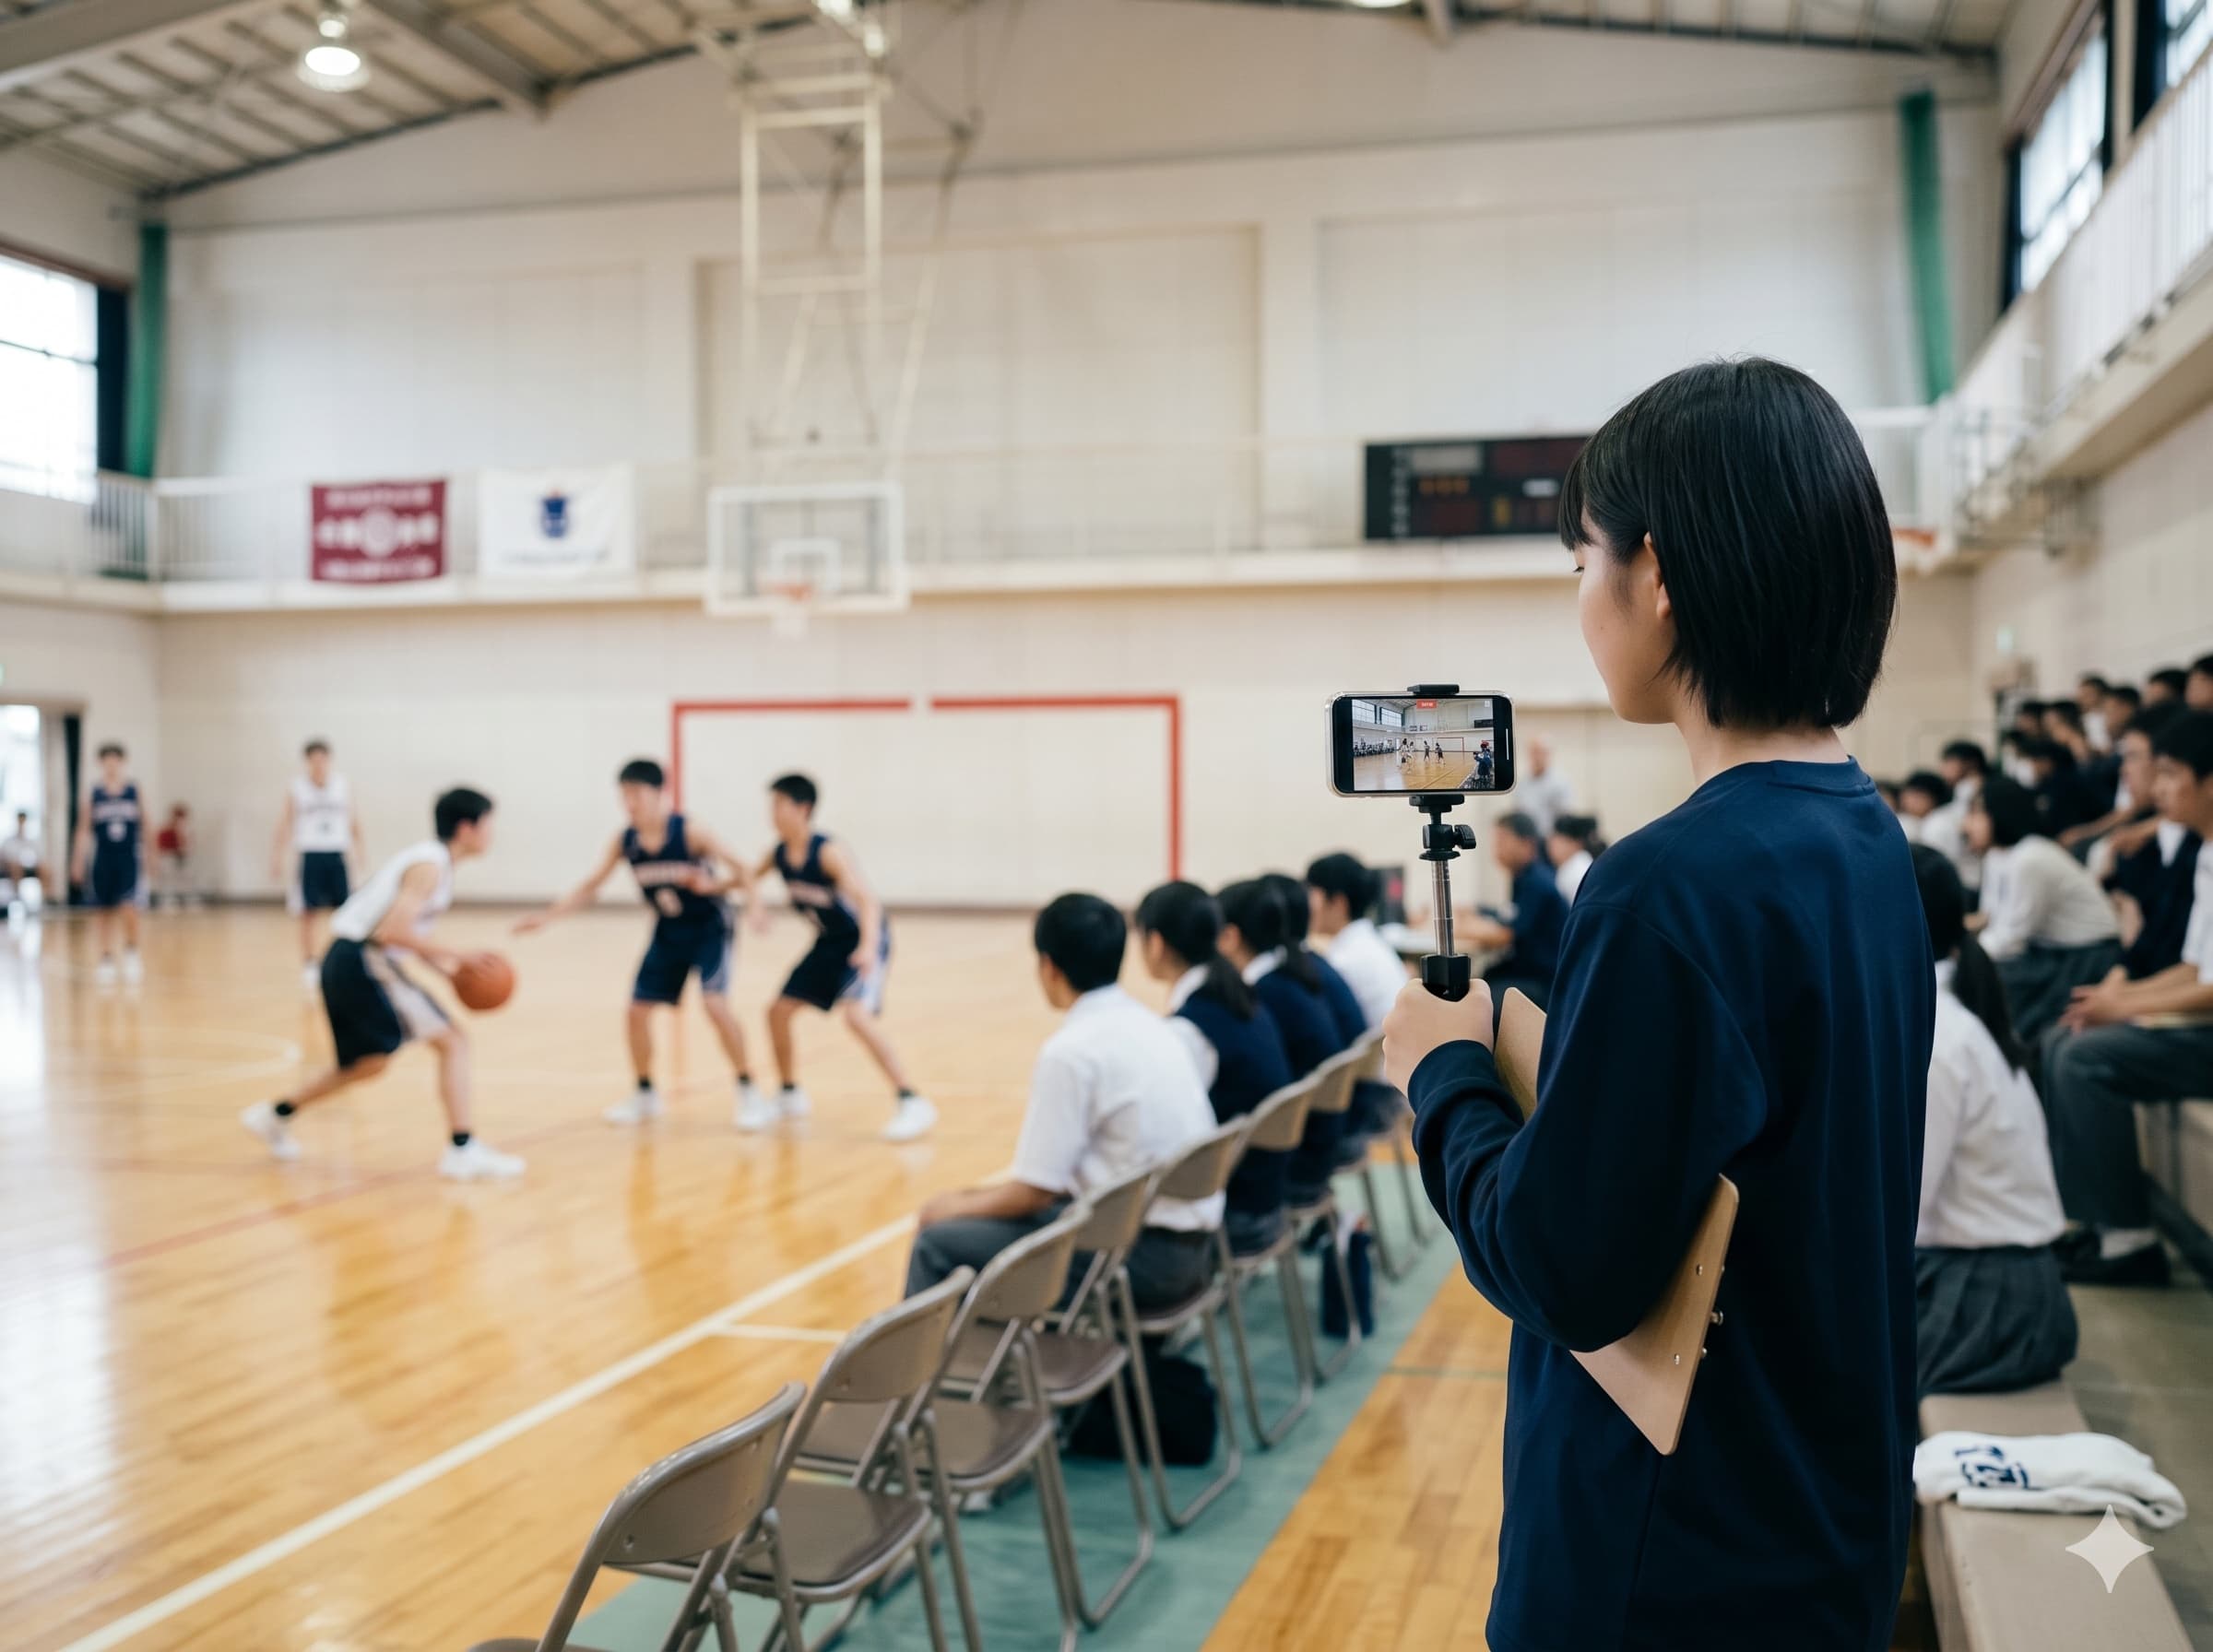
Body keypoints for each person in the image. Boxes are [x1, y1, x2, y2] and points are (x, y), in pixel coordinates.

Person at [1383, 359, 1933, 1651]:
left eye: (1585, 559)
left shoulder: (1672, 883)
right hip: (1818, 1523)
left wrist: (1445, 1072)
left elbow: (1565, 1270)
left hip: (1671, 1567)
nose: (1584, 598)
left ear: (1660, 575)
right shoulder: (1866, 840)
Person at [905, 893, 1220, 1310]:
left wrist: (952, 1206)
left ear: (1048, 967)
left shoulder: (1071, 1052)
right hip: (1195, 1247)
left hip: (1140, 1262)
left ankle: (950, 1357)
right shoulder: (1155, 1026)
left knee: (936, 1242)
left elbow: (1035, 1192)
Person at [240, 787, 526, 1181]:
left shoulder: (433, 862)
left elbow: (407, 934)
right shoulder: (430, 866)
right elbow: (392, 932)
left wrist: (448, 972)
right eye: (488, 824)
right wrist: (460, 954)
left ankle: (274, 1115)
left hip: (348, 958)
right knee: (454, 1042)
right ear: (466, 828)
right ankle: (462, 1150)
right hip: (363, 960)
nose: (492, 833)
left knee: (368, 1064)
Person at [2041, 710, 2213, 1286]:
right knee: (2063, 1036)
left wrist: (2126, 1006)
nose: (2157, 788)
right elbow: (2195, 967)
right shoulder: (2206, 852)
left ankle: (2129, 1240)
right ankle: (2093, 1221)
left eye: (2170, 773)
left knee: (2085, 1058)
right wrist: (2120, 995)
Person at [1908, 846, 2077, 1397]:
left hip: (1987, 1299)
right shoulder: (1939, 1016)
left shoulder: (1934, 1037)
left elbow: (1900, 1210)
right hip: (1979, 1279)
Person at [514, 759, 764, 1127]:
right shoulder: (626, 841)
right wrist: (548, 917)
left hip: (710, 928)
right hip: (668, 930)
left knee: (714, 1005)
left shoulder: (691, 832)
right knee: (636, 1011)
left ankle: (748, 1090)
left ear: (660, 793)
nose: (630, 803)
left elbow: (743, 868)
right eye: (624, 795)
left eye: (637, 794)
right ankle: (645, 1094)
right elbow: (592, 885)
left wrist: (754, 906)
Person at [754, 773, 934, 1141]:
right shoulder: (780, 854)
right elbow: (746, 875)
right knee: (778, 1011)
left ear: (803, 809)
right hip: (828, 943)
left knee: (855, 1017)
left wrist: (867, 948)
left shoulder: (827, 852)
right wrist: (717, 889)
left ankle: (911, 1100)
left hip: (862, 939)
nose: (772, 812)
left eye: (779, 804)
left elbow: (868, 901)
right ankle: (789, 1094)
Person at [1138, 880, 1296, 1255]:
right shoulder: (1240, 994)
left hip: (1237, 1213)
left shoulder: (1191, 1028)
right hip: (1269, 1194)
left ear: (1155, 943)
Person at [1220, 879, 1354, 1206]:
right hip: (1321, 1140)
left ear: (1231, 937)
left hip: (1296, 1161)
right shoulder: (1292, 975)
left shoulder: (1264, 993)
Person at [1967, 775, 2121, 1041]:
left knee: (1988, 977)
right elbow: (1991, 918)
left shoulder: (2030, 858)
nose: (1966, 824)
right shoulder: (1997, 856)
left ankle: (2010, 1049)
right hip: (2049, 950)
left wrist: (1965, 958)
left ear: (2000, 812)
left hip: (2087, 956)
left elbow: (2012, 938)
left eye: (1977, 813)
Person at [273, 738, 364, 989]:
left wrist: (359, 851)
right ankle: (310, 963)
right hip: (310, 853)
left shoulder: (342, 785)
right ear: (307, 761)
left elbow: (353, 820)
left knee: (345, 912)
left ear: (328, 760)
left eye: (322, 759)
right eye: (314, 760)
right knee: (308, 912)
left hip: (336, 852)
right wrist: (277, 856)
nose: (319, 764)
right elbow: (285, 821)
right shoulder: (297, 788)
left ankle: (344, 961)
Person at [1462, 812, 1567, 1011]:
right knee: (1481, 980)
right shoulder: (1523, 877)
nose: (1496, 849)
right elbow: (1508, 917)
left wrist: (1462, 929)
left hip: (1543, 982)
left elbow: (1506, 935)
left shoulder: (1537, 882)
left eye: (1502, 841)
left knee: (1477, 1000)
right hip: (1525, 972)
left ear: (1527, 843)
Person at [1304, 851, 1407, 1028]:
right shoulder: (1369, 943)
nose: (1308, 903)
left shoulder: (1344, 961)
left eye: (1312, 893)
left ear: (1338, 903)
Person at [70, 742, 144, 986]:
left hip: (128, 858)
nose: (111, 764)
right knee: (103, 910)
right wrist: (77, 861)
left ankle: (132, 950)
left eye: (116, 760)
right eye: (107, 760)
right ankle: (105, 957)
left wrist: (152, 855)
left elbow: (146, 823)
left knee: (129, 906)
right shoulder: (95, 793)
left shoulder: (133, 791)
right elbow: (83, 829)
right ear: (100, 763)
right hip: (103, 858)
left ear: (122, 762)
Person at [1934, 739, 1988, 897]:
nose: (1943, 769)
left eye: (1949, 762)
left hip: (1972, 878)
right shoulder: (1956, 791)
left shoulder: (1978, 789)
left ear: (1971, 763)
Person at [1514, 733, 1572, 836]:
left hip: (1550, 839)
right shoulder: (1523, 782)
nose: (1536, 757)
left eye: (1539, 752)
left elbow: (1565, 816)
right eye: (1533, 752)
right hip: (1528, 838)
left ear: (1548, 754)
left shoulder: (1560, 782)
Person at [1544, 814, 1603, 904]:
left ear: (1576, 843)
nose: (1551, 845)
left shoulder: (1578, 871)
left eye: (1558, 840)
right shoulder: (1570, 866)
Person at [1898, 772, 1956, 862]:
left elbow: (1931, 863)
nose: (1906, 800)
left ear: (1932, 798)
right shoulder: (1923, 821)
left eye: (1915, 796)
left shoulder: (1937, 824)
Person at [3, 808, 40, 914]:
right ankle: (18, 898)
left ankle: (46, 901)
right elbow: (5, 857)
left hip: (27, 866)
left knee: (45, 869)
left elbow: (36, 857)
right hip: (11, 867)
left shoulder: (30, 840)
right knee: (16, 867)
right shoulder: (9, 840)